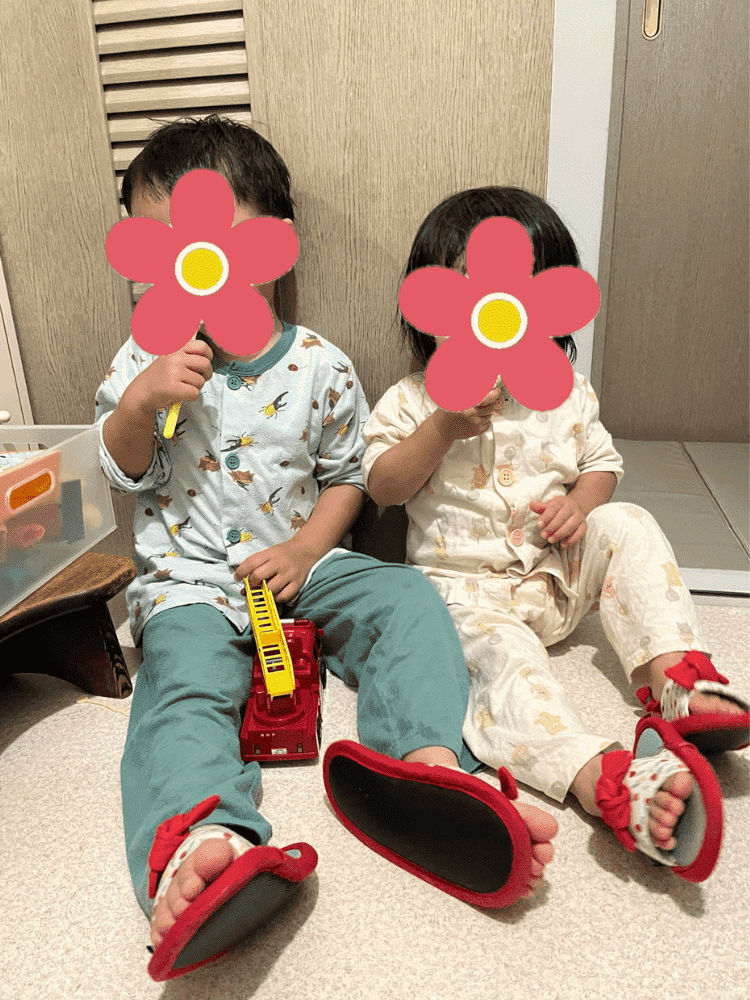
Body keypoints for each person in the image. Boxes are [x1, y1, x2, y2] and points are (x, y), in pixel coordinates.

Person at [96, 123, 557, 981]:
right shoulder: (143, 360)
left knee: (406, 599)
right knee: (183, 686)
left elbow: (347, 477)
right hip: (191, 582)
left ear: (271, 249)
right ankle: (201, 839)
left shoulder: (320, 365)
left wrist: (311, 549)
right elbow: (124, 470)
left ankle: (426, 763)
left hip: (305, 565)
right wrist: (138, 403)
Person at [363, 186, 749, 884]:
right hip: (463, 599)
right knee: (507, 673)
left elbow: (604, 464)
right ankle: (602, 778)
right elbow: (384, 487)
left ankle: (676, 681)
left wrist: (579, 502)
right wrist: (442, 425)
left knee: (628, 522)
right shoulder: (413, 398)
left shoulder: (566, 391)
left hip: (553, 572)